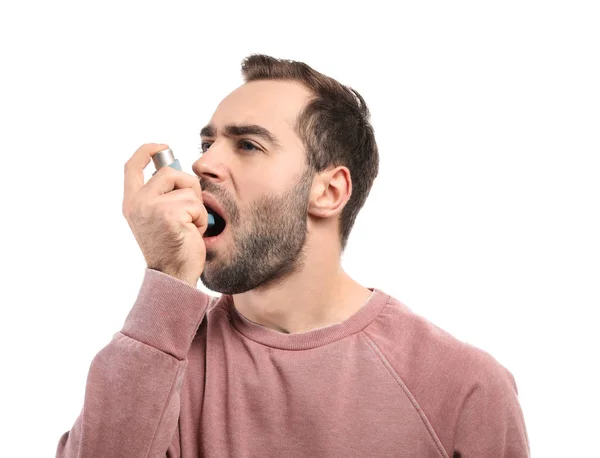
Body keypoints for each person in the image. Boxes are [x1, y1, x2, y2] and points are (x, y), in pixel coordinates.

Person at [56, 54, 530, 458]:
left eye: (247, 144)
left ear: (328, 191)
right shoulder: (160, 363)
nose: (203, 164)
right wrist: (167, 282)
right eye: (206, 143)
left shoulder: (464, 387)